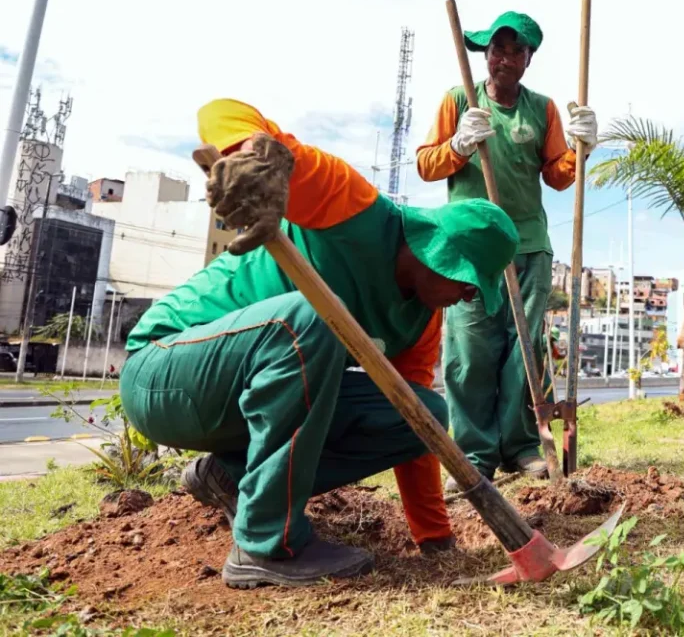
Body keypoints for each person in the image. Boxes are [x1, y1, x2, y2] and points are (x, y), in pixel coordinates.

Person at [119, 99, 520, 589]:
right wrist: (247, 155)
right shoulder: (352, 207)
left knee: (424, 412)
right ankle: (267, 546)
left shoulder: (420, 323)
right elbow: (218, 109)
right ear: (441, 254)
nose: (469, 297)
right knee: (314, 316)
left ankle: (230, 478)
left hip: (239, 411)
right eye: (469, 282)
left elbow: (417, 427)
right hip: (165, 371)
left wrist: (435, 539)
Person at [416, 11, 599, 490]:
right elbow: (426, 165)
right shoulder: (460, 100)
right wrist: (458, 145)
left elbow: (557, 176)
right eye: (499, 48)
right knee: (469, 350)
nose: (506, 58)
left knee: (525, 349)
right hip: (470, 249)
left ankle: (520, 446)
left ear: (528, 59)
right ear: (486, 54)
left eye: (518, 51)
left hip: (528, 245)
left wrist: (581, 149)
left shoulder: (542, 108)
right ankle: (474, 454)